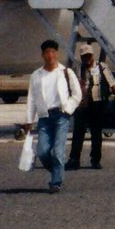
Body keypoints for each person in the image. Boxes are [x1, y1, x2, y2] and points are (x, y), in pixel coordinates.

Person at [27, 39, 81, 193]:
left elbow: (77, 94)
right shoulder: (36, 75)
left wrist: (68, 108)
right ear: (43, 55)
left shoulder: (65, 72)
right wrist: (29, 120)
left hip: (61, 116)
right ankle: (58, 170)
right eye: (47, 52)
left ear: (56, 53)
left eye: (52, 52)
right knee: (42, 151)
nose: (50, 55)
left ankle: (56, 182)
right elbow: (31, 98)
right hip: (44, 117)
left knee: (58, 151)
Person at [69, 42, 115, 170]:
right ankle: (74, 159)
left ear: (92, 55)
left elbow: (112, 82)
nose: (87, 59)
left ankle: (95, 160)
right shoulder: (78, 68)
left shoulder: (102, 67)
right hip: (82, 104)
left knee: (96, 132)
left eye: (89, 56)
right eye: (84, 57)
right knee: (78, 132)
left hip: (98, 103)